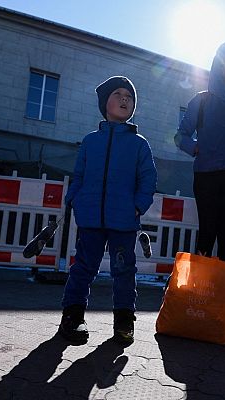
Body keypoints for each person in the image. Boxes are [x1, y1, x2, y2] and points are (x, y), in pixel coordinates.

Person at [59, 76, 157, 344]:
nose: (125, 99)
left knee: (124, 271)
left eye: (130, 95)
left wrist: (138, 206)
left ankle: (124, 321)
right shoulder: (91, 141)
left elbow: (148, 179)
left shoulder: (139, 144)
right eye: (118, 93)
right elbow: (78, 175)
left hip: (124, 221)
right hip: (90, 217)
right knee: (83, 267)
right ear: (105, 103)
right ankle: (72, 317)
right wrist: (75, 198)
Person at [174, 41, 225, 263]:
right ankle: (200, 292)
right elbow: (180, 136)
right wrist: (196, 148)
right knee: (207, 234)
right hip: (206, 175)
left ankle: (221, 294)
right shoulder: (201, 100)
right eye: (224, 64)